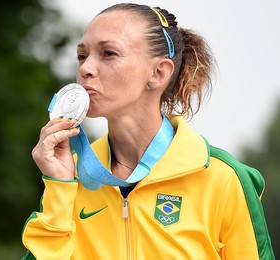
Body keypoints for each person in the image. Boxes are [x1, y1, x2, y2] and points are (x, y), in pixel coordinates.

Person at [21, 3, 274, 259]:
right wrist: (60, 188)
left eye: (108, 53)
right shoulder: (71, 175)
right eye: (82, 56)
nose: (86, 69)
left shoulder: (223, 178)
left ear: (158, 72)